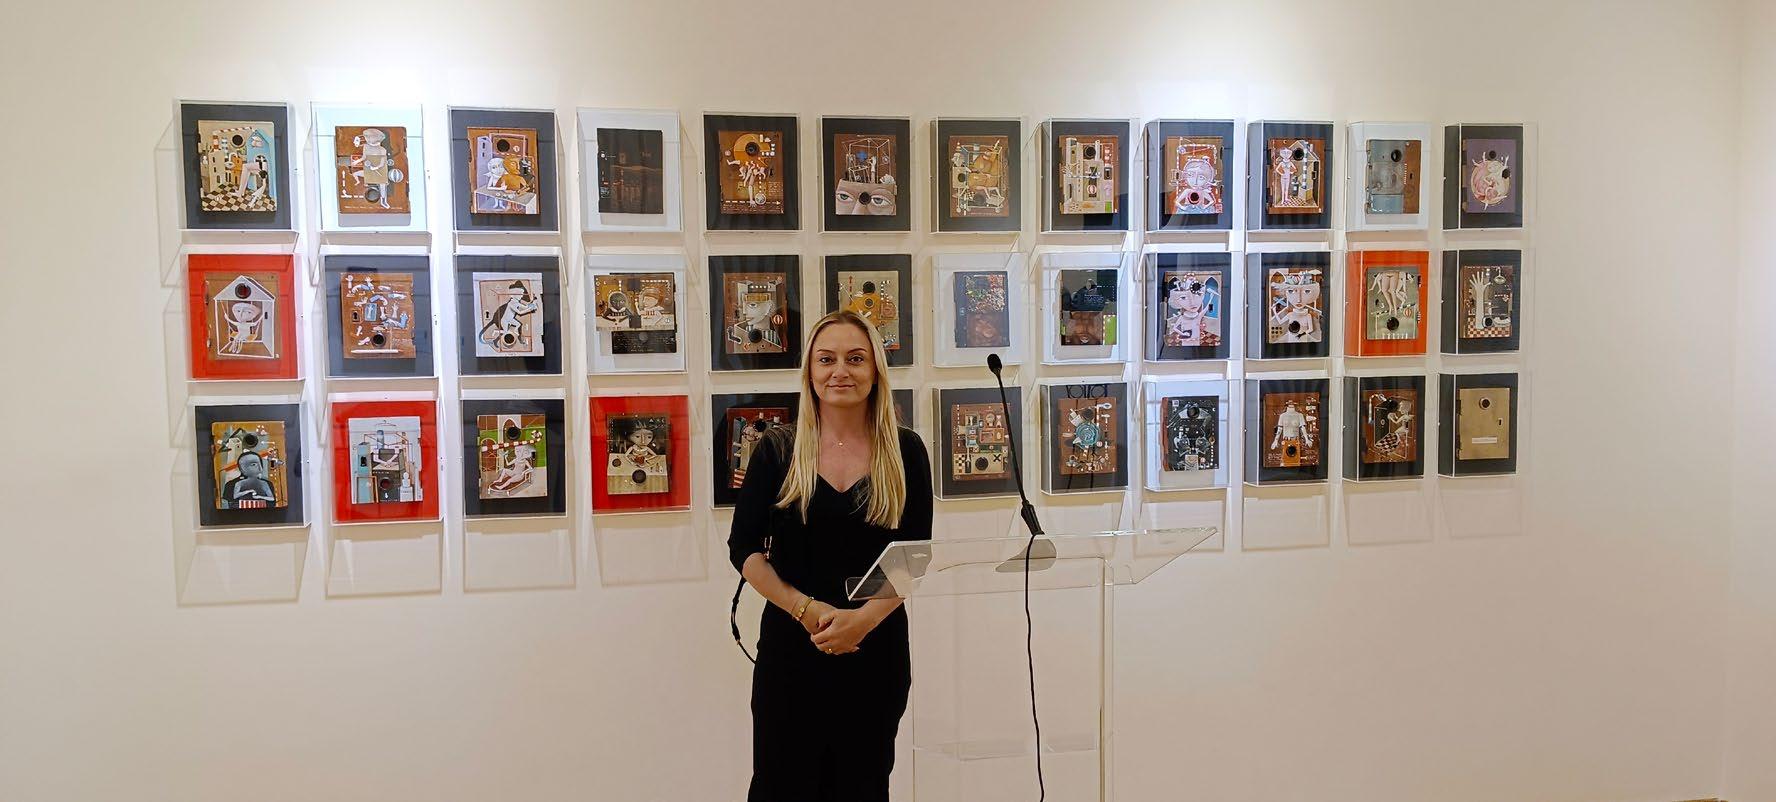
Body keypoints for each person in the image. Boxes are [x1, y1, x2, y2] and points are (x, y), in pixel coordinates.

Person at [728, 310, 934, 801]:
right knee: (781, 787)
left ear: (875, 370)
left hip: (874, 652)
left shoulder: (906, 451)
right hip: (792, 651)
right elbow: (744, 550)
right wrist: (805, 609)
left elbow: (913, 556)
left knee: (862, 786)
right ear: (810, 371)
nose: (840, 371)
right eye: (827, 359)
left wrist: (861, 622)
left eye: (855, 359)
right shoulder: (777, 449)